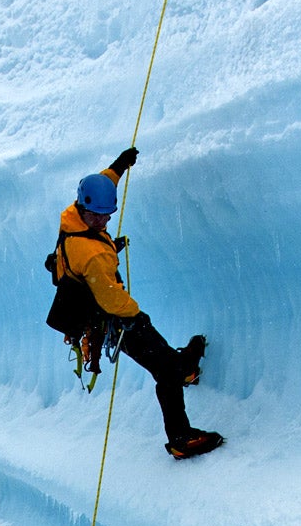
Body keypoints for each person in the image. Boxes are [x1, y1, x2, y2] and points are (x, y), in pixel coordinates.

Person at [52, 147, 223, 459]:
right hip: (113, 319)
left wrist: (119, 165)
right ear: (84, 208)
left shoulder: (74, 216)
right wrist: (135, 315)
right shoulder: (92, 255)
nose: (103, 220)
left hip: (100, 310)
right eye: (98, 216)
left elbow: (103, 183)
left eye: (107, 215)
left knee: (162, 358)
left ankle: (183, 369)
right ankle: (180, 438)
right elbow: (110, 298)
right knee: (164, 369)